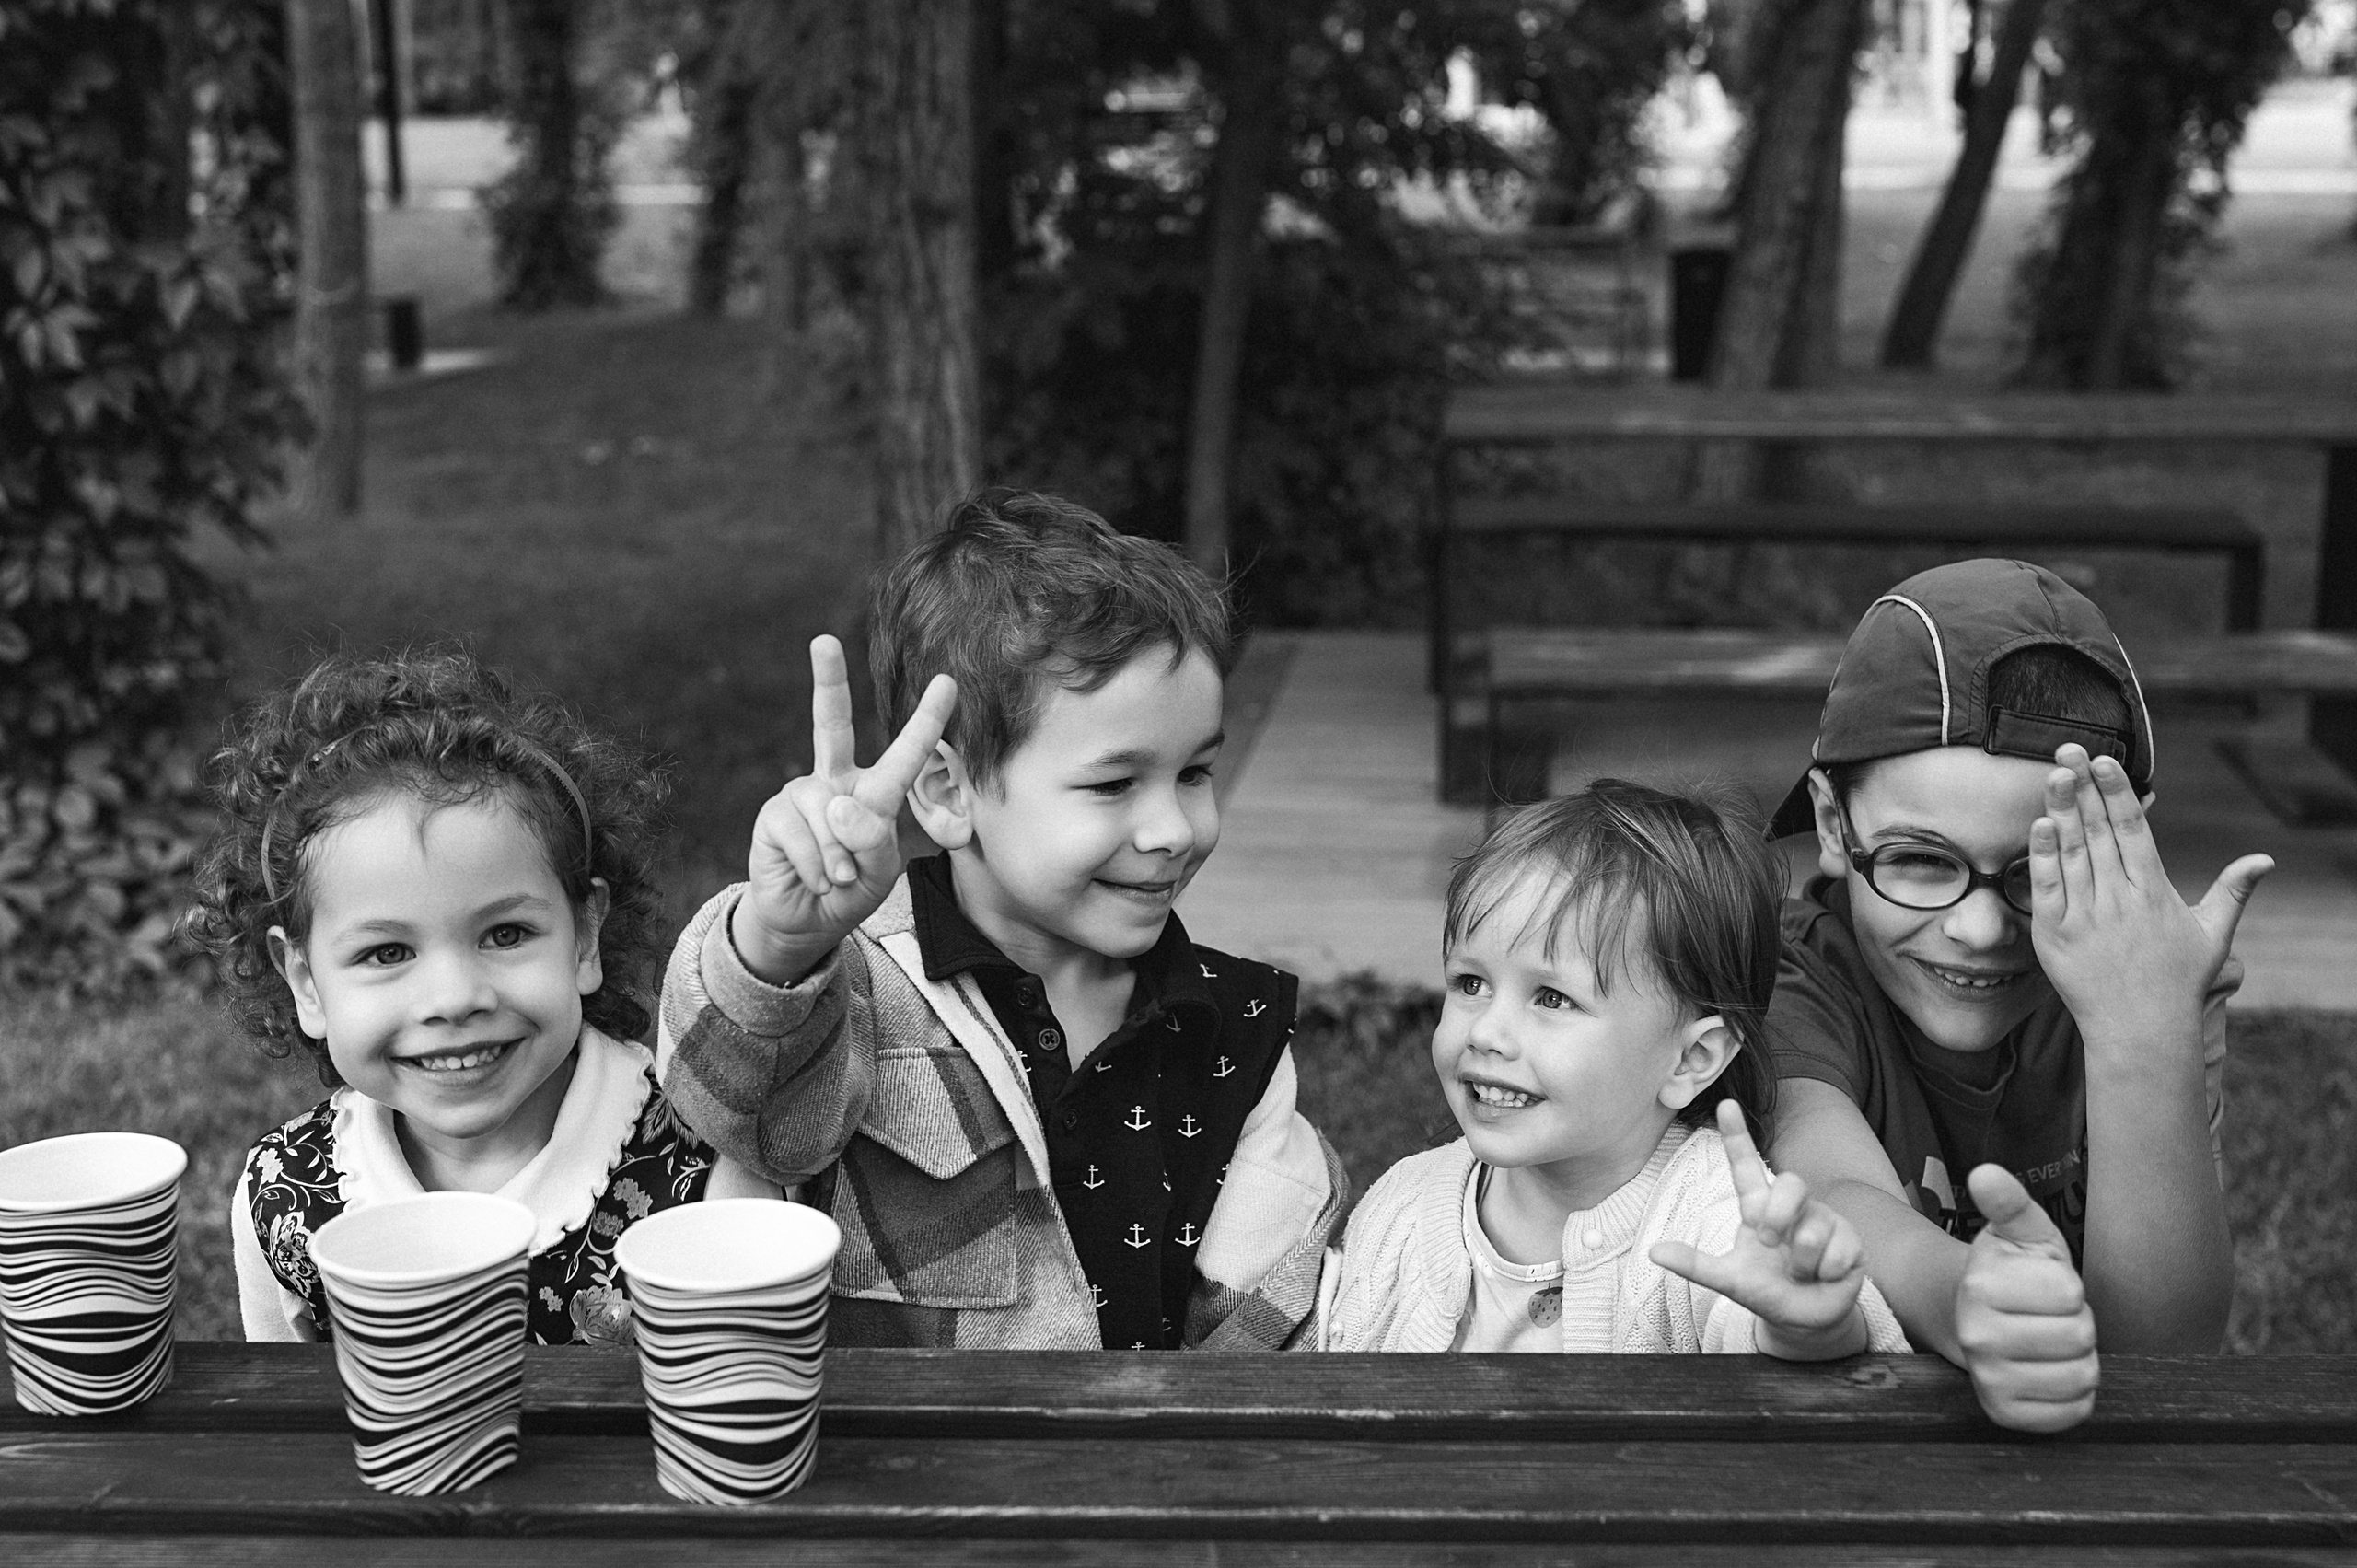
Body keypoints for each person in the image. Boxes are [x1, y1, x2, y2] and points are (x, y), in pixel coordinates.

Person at [656, 488, 1343, 1350]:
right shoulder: (856, 993)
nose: (1175, 829)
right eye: (1113, 784)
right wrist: (779, 946)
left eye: (1196, 772)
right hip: (909, 1473)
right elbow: (731, 1102)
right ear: (949, 792)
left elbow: (1269, 1317)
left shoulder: (1234, 1027)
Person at [1762, 558, 2270, 1431]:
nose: (1981, 928)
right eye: (1921, 859)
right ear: (1832, 823)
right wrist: (1979, 1299)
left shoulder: (2140, 980)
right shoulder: (1794, 979)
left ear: (2124, 849)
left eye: (2040, 873)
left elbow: (2166, 1357)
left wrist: (2142, 1029)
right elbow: (1830, 1190)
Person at [192, 649, 775, 1346]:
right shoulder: (286, 1196)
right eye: (386, 952)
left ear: (584, 938)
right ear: (305, 982)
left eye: (505, 933)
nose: (454, 997)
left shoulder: (704, 1170)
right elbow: (287, 1431)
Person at [1317, 782, 1909, 1357]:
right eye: (1471, 983)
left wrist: (1807, 1327)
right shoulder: (1403, 1205)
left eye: (1552, 998)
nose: (1486, 1033)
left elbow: (1789, 1338)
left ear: (1690, 1060)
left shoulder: (1714, 1222)